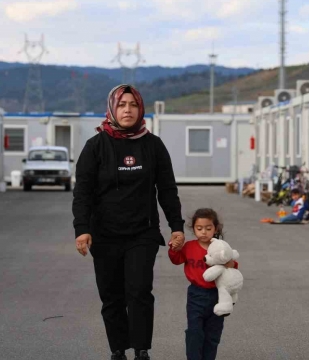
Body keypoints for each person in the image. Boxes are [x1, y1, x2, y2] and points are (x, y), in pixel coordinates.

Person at [73, 84, 186, 360]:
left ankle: (141, 349)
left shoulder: (153, 145)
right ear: (112, 108)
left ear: (140, 109)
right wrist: (82, 229)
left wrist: (177, 226)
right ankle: (118, 350)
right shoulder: (95, 146)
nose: (127, 110)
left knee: (139, 291)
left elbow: (167, 189)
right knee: (111, 296)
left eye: (133, 104)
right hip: (105, 234)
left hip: (142, 234)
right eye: (122, 104)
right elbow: (83, 193)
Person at [168, 208, 238, 360]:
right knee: (194, 331)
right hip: (196, 295)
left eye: (208, 228)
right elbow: (176, 259)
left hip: (217, 295)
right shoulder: (189, 247)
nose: (204, 232)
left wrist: (230, 263)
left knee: (213, 335)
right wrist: (174, 248)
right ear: (193, 229)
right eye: (199, 228)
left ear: (216, 228)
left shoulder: (221, 247)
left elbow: (233, 267)